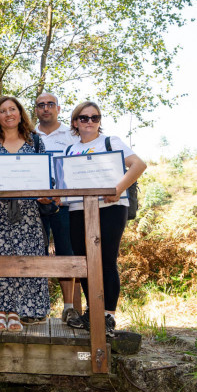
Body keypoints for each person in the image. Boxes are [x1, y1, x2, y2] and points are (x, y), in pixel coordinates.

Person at [64, 101, 146, 337]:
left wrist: (117, 188)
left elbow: (139, 165)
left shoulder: (111, 141)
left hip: (110, 207)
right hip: (78, 209)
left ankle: (108, 315)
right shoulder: (70, 150)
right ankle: (94, 311)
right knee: (86, 262)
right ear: (75, 122)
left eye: (95, 117)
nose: (89, 122)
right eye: (84, 118)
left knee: (106, 260)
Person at [0, 96, 50, 332]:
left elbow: (45, 178)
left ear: (20, 113)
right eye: (3, 111)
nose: (8, 114)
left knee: (24, 258)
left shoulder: (36, 141)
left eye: (13, 109)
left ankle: (17, 311)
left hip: (27, 213)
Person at [33, 92, 81, 323]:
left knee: (67, 254)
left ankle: (69, 308)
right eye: (41, 105)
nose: (45, 109)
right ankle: (37, 307)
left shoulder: (72, 135)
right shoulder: (28, 134)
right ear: (35, 110)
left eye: (50, 104)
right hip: (34, 204)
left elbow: (78, 167)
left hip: (65, 203)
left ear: (58, 109)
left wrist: (62, 193)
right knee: (35, 254)